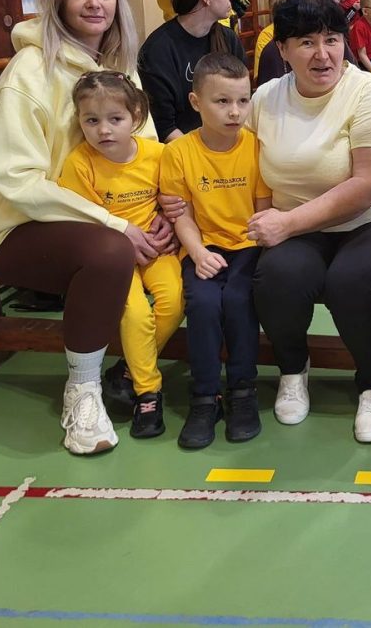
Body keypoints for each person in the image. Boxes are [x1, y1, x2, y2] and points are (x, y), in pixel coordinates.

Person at [0, 0, 168, 456]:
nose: (93, 3)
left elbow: (146, 150)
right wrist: (116, 225)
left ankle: (146, 372)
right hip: (19, 229)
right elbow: (18, 182)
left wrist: (165, 212)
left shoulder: (119, 67)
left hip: (111, 219)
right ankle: (83, 390)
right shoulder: (29, 72)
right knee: (109, 254)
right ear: (57, 1)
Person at [248, 0, 371, 440]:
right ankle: (292, 371)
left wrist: (286, 224)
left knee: (352, 279)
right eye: (306, 42)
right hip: (298, 223)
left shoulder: (370, 92)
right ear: (282, 50)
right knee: (277, 275)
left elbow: (370, 185)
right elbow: (239, 165)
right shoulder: (266, 98)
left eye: (332, 39)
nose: (322, 54)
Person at [58, 73, 182, 439]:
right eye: (91, 120)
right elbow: (82, 219)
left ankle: (127, 368)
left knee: (175, 300)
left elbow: (176, 198)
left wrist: (168, 219)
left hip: (157, 249)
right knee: (136, 313)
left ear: (136, 117)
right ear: (79, 121)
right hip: (114, 260)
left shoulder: (159, 155)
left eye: (115, 119)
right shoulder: (79, 164)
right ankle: (148, 392)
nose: (104, 130)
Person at [160, 53, 270, 449]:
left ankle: (242, 390)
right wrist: (197, 252)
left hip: (247, 247)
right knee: (204, 305)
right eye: (222, 101)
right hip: (202, 249)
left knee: (240, 301)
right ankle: (205, 396)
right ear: (196, 102)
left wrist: (254, 241)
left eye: (243, 100)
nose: (235, 111)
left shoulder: (256, 147)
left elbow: (262, 210)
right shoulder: (178, 153)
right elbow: (182, 215)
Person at [138, 0, 246, 143]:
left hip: (229, 144)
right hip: (183, 150)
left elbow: (243, 100)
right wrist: (200, 155)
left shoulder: (229, 39)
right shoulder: (157, 50)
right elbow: (164, 127)